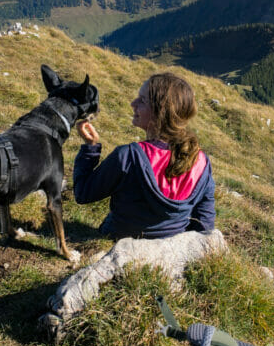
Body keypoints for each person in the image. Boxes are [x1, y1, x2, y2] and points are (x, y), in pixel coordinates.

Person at [73, 72, 215, 239]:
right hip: (169, 250)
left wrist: (90, 148)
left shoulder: (127, 157)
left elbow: (83, 193)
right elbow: (204, 223)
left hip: (118, 241)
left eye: (142, 100)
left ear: (160, 112)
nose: (133, 104)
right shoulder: (200, 162)